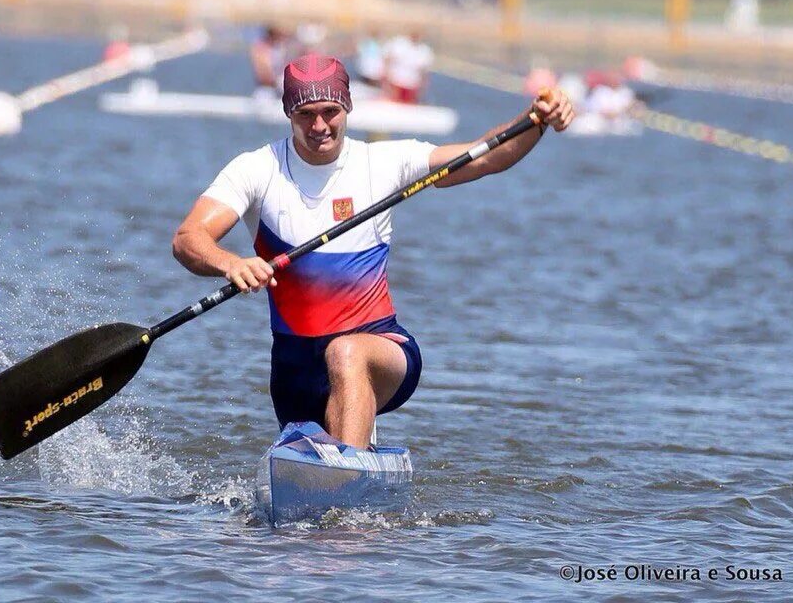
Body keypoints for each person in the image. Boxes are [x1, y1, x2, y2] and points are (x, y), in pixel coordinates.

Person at [172, 54, 574, 449]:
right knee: (306, 485)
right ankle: (347, 460)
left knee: (346, 352)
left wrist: (537, 120)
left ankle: (349, 480)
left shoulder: (383, 162)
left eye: (330, 111)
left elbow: (485, 158)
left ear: (347, 105)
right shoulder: (256, 170)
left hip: (382, 347)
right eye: (305, 114)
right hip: (295, 369)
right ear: (287, 113)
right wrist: (231, 263)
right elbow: (188, 238)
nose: (319, 125)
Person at [382, 30, 434, 104]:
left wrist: (422, 88)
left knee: (407, 105)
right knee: (393, 104)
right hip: (396, 81)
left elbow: (424, 71)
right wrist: (386, 77)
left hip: (412, 84)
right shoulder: (400, 45)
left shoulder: (424, 51)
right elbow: (388, 59)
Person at [249, 25, 289, 92]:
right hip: (267, 88)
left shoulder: (280, 48)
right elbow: (263, 74)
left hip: (279, 86)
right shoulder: (261, 48)